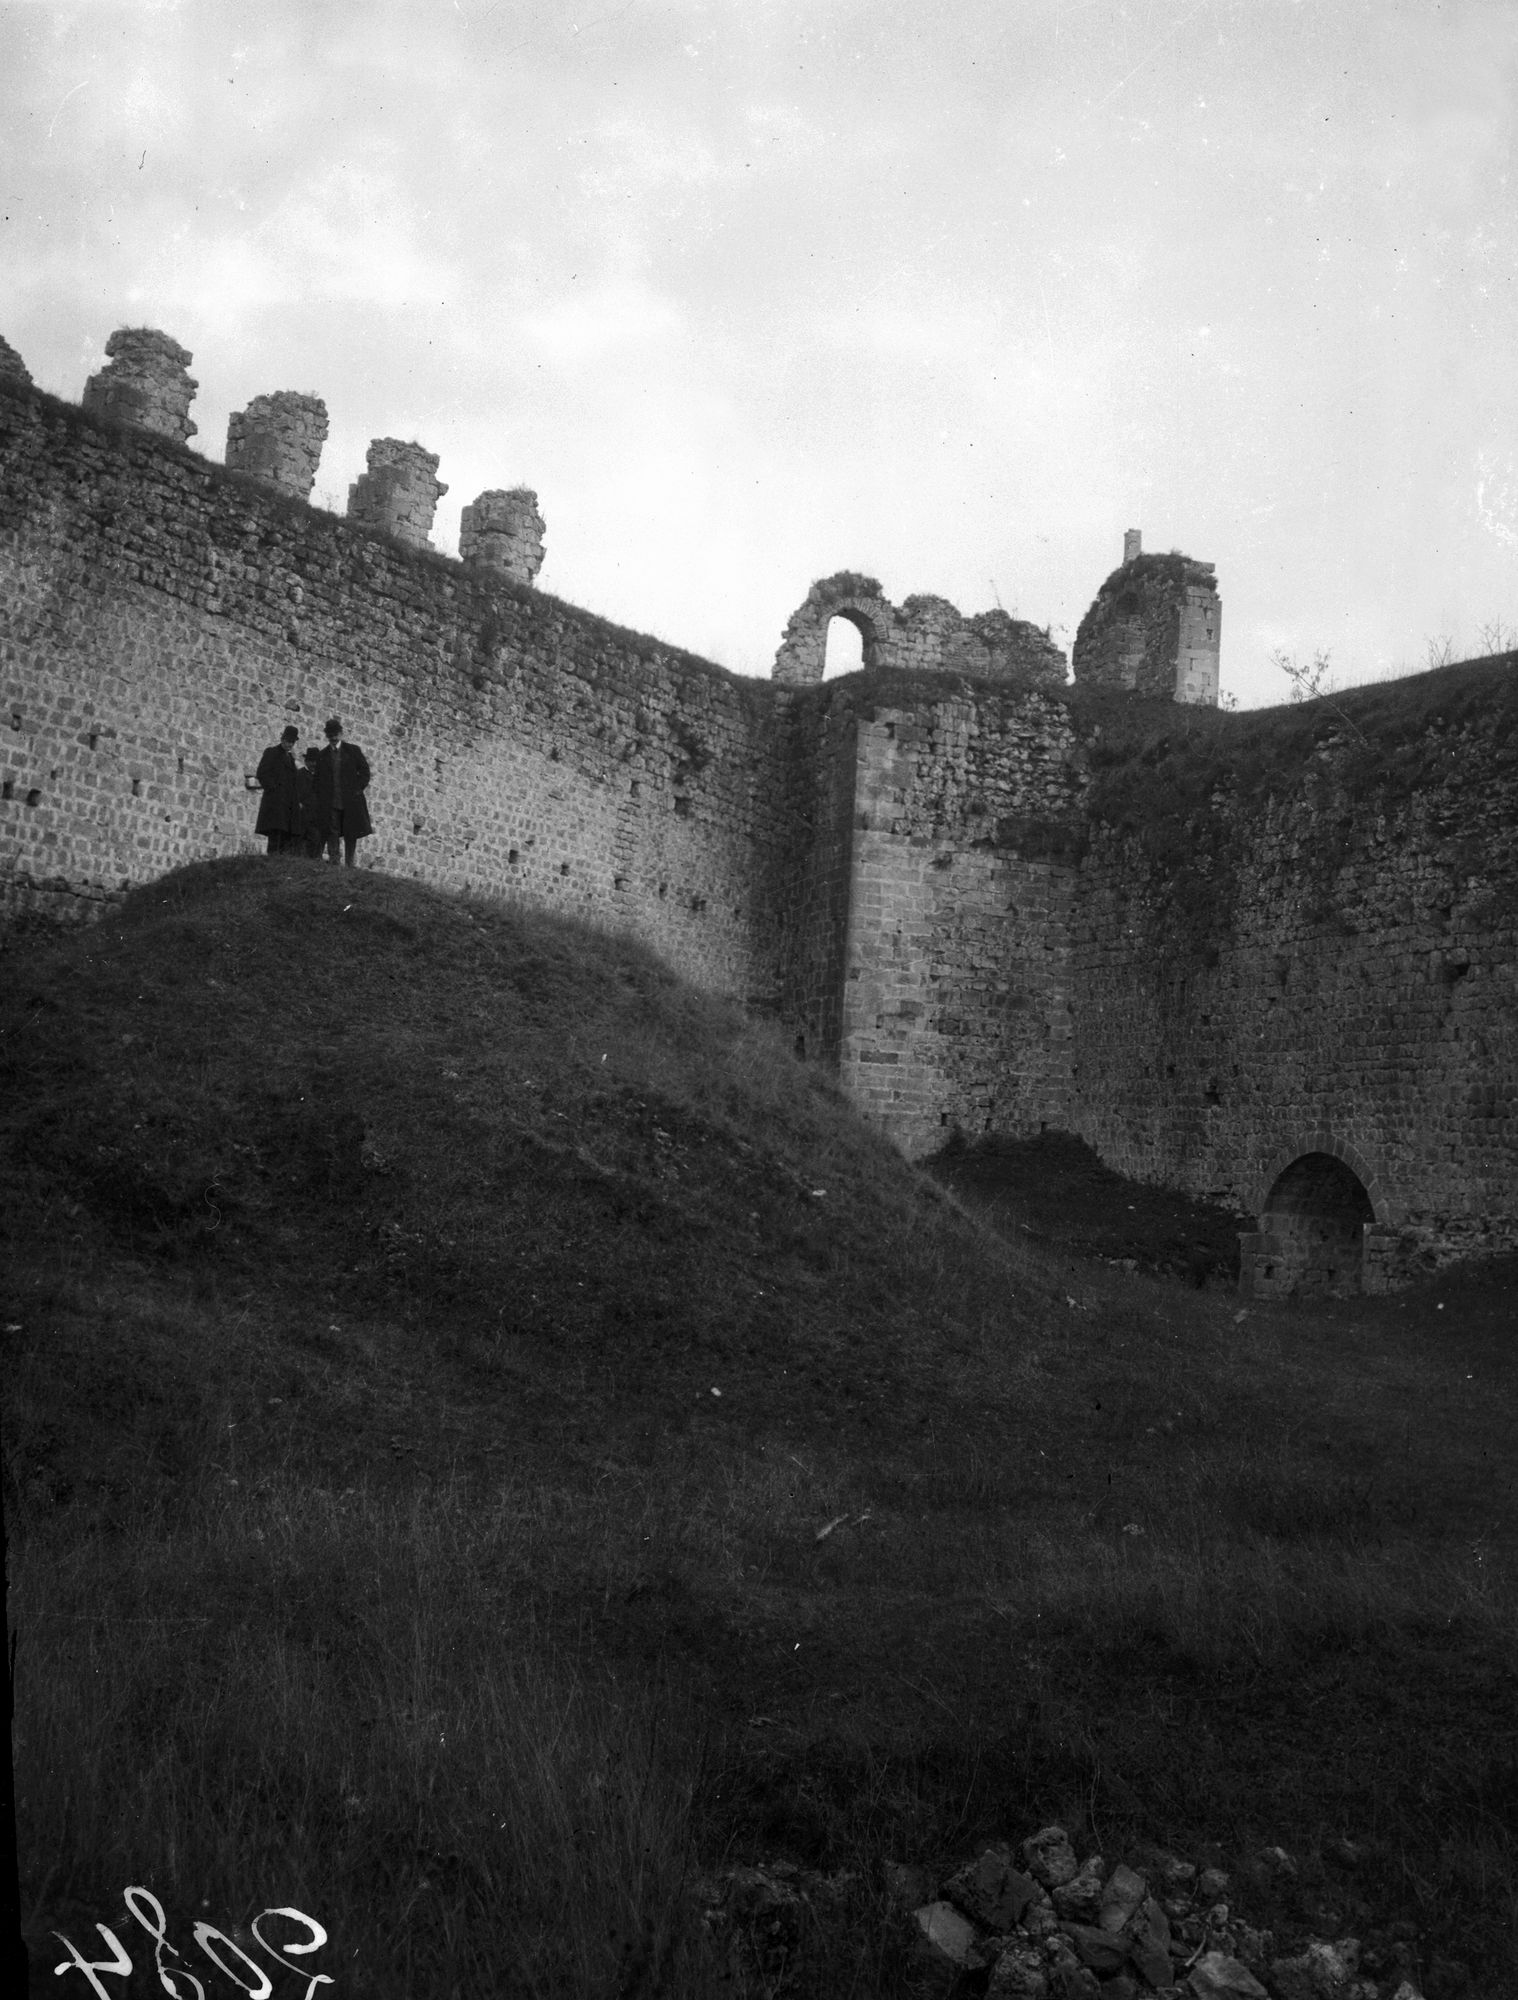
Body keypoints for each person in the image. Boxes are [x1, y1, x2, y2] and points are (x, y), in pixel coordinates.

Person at [314, 717, 372, 866]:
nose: (333, 738)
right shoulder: (322, 755)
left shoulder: (353, 751)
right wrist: (321, 798)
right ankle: (334, 860)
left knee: (350, 832)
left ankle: (349, 862)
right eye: (330, 736)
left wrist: (358, 789)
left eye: (335, 735)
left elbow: (365, 772)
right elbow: (317, 780)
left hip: (350, 800)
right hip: (331, 800)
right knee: (332, 831)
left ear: (340, 734)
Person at [254, 725, 301, 854]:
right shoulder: (271, 752)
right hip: (275, 802)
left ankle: (280, 861)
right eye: (287, 741)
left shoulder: (291, 759)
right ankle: (272, 859)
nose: (289, 744)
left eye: (292, 742)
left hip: (288, 804)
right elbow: (262, 773)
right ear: (282, 739)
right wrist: (273, 789)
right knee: (275, 833)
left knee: (285, 835)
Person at [295, 746, 323, 858]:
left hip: (315, 815)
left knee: (315, 839)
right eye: (311, 761)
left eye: (316, 762)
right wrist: (299, 803)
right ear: (306, 761)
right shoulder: (299, 774)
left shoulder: (321, 777)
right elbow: (295, 791)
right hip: (301, 814)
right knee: (299, 839)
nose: (314, 764)